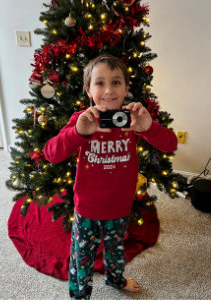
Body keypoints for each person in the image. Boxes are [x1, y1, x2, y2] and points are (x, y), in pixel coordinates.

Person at [44, 54, 177, 300]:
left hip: (120, 207)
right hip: (87, 208)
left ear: (127, 89)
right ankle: (79, 293)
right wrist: (78, 133)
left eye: (116, 82)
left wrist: (148, 127)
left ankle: (114, 278)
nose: (108, 90)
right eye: (99, 83)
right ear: (88, 90)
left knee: (115, 250)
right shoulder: (82, 121)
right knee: (81, 256)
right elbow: (51, 153)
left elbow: (170, 144)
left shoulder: (133, 120)